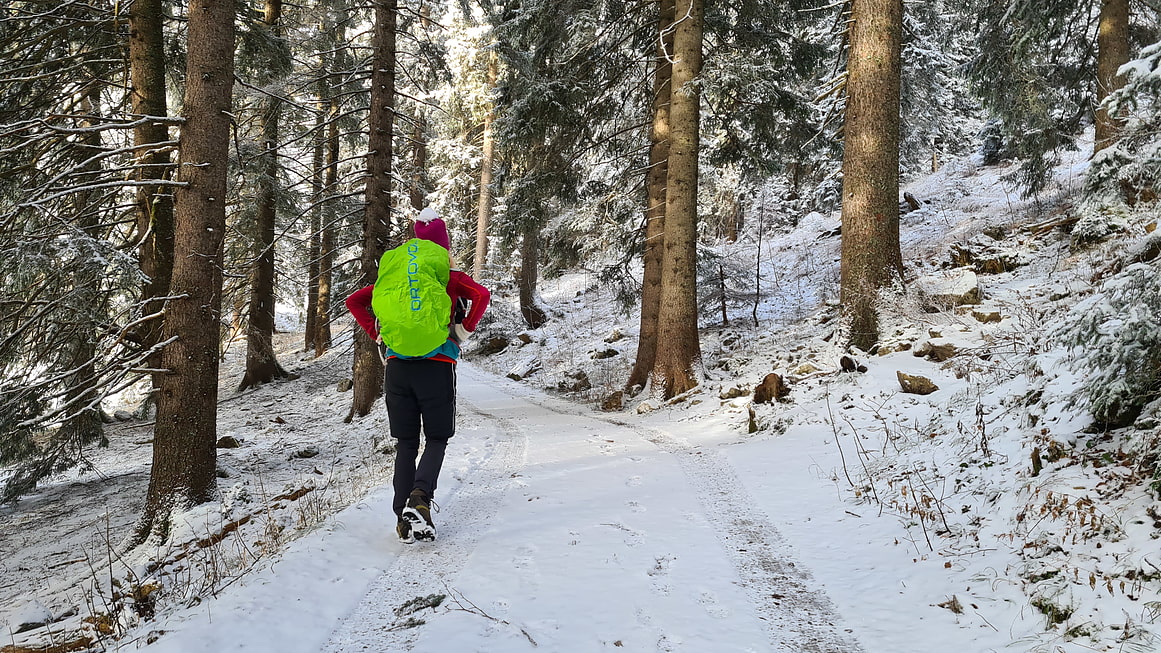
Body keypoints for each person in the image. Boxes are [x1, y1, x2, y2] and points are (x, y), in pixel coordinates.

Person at [345, 207, 490, 543]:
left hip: (397, 369)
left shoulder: (392, 279)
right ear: (443, 249)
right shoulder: (447, 276)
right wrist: (464, 329)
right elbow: (482, 295)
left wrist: (377, 334)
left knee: (406, 443)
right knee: (437, 439)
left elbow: (355, 300)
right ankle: (420, 498)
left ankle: (403, 518)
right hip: (437, 367)